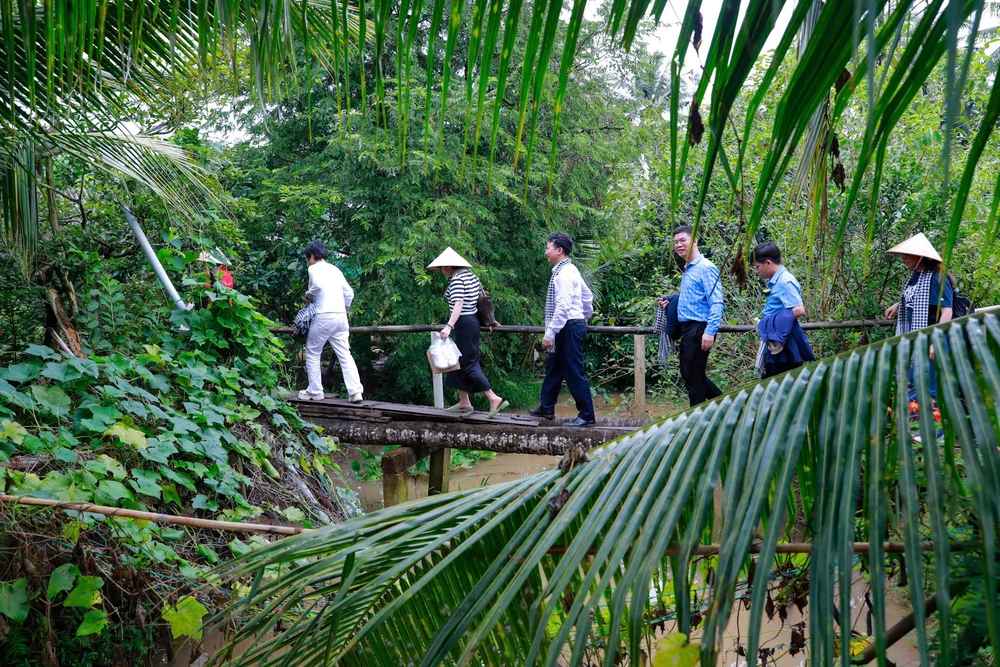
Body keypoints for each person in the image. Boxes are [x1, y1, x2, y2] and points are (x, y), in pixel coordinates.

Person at [428, 247, 508, 418]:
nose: (442, 270)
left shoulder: (457, 280)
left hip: (464, 322)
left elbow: (459, 304)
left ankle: (493, 397)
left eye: (443, 267)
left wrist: (449, 326)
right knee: (457, 360)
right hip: (471, 322)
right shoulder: (471, 276)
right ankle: (464, 401)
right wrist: (489, 321)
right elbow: (482, 300)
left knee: (468, 363)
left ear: (450, 266)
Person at [528, 232, 596, 427]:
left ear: (559, 250)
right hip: (571, 324)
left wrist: (550, 332)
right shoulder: (570, 270)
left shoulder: (564, 275)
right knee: (554, 367)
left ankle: (587, 416)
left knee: (574, 371)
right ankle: (547, 407)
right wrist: (584, 317)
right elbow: (587, 297)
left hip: (567, 326)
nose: (545, 252)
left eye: (548, 247)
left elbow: (563, 307)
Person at [884, 232, 953, 399]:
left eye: (907, 254)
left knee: (928, 389)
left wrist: (935, 342)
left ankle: (933, 425)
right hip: (917, 339)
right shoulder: (917, 276)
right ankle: (914, 424)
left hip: (933, 339)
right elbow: (918, 297)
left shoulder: (937, 278)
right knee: (912, 385)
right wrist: (899, 304)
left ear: (920, 257)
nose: (903, 258)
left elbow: (947, 311)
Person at [298, 241, 364, 403]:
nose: (308, 261)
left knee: (313, 352)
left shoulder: (313, 268)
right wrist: (343, 308)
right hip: (340, 316)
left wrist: (309, 294)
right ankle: (355, 392)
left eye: (308, 258)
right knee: (344, 353)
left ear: (312, 256)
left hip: (323, 315)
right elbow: (349, 293)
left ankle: (315, 391)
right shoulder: (335, 270)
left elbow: (318, 286)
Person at [666, 225, 723, 407]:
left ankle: (697, 423)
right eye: (676, 242)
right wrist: (670, 303)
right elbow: (694, 299)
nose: (679, 245)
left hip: (699, 328)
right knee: (691, 374)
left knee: (693, 379)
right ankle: (726, 406)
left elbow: (716, 301)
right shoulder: (689, 269)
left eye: (683, 240)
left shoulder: (706, 268)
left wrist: (710, 331)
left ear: (695, 241)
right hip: (687, 329)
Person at [752, 242, 813, 378]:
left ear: (768, 263)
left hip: (783, 339)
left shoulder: (785, 281)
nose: (757, 271)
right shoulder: (776, 280)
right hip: (776, 337)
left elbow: (799, 309)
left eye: (758, 267)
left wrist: (770, 323)